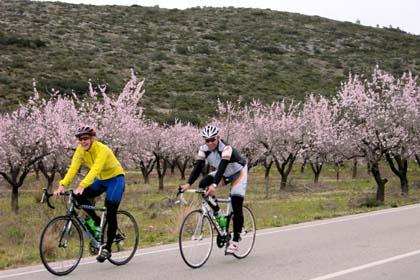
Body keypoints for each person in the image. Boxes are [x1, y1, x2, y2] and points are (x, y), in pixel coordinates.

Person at [54, 125, 125, 263]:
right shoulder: (80, 150)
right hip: (102, 180)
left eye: (86, 138)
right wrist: (62, 185)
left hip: (116, 179)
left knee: (110, 210)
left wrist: (83, 184)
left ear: (92, 138)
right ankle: (97, 221)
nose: (83, 141)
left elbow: (96, 168)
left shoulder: (102, 149)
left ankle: (108, 249)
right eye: (80, 139)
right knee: (78, 197)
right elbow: (73, 168)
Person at [180, 124, 248, 254]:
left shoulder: (226, 148)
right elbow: (198, 167)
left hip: (238, 173)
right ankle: (218, 213)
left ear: (218, 138)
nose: (210, 143)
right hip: (224, 174)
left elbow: (222, 167)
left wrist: (214, 186)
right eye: (207, 140)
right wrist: (188, 184)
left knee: (236, 201)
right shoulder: (203, 149)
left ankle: (235, 241)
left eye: (213, 140)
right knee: (203, 184)